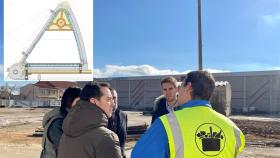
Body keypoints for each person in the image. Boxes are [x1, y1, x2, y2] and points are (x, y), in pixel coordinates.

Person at [132, 70, 245, 158]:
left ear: (188, 87)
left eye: (180, 87)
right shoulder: (234, 130)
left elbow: (140, 154)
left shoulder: (165, 125)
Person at [58, 82, 122, 158]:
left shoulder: (66, 133)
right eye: (108, 99)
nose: (113, 104)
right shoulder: (106, 137)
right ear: (94, 101)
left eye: (113, 99)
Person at [40, 87, 81, 158]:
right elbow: (67, 151)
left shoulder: (71, 119)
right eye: (78, 102)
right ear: (69, 101)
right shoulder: (58, 123)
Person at [108, 87, 128, 158]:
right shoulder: (100, 117)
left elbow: (124, 139)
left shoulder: (123, 115)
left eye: (114, 98)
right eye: (110, 99)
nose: (113, 101)